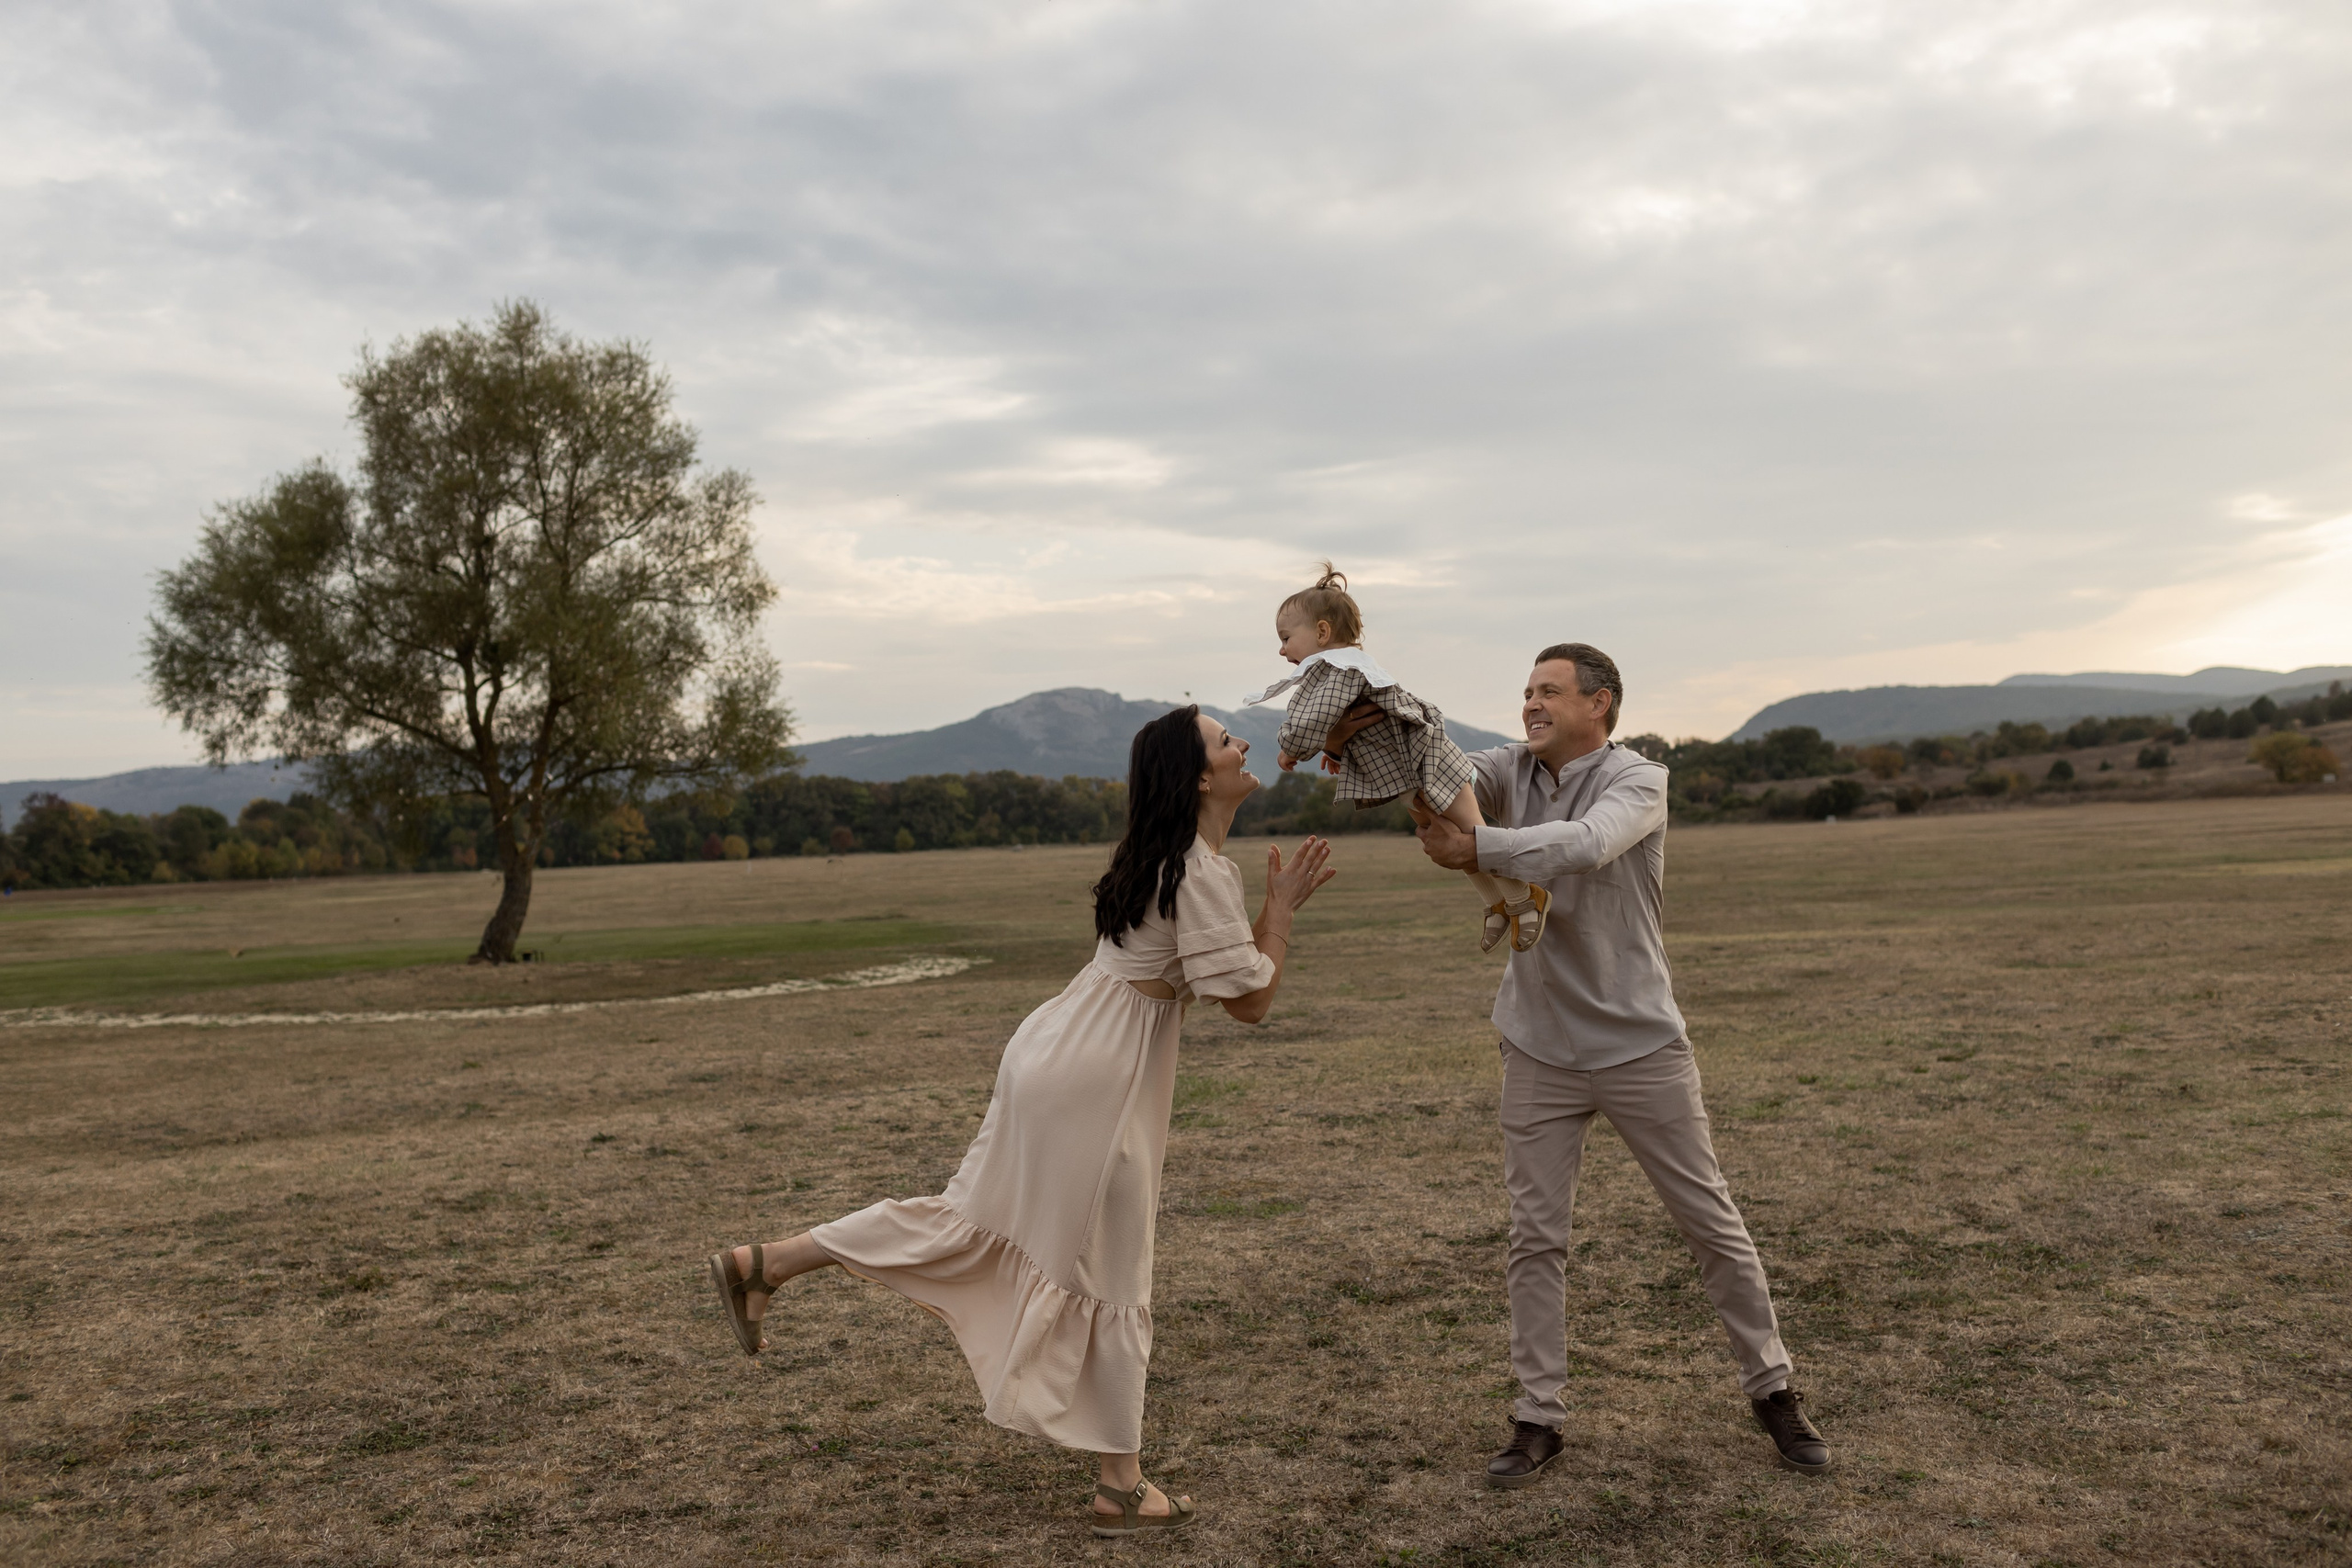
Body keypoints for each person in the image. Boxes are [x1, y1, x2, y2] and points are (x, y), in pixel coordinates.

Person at [705, 705, 1335, 1538]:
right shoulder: (1200, 872)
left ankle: (770, 1262)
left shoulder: (1164, 862)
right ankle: (1119, 1486)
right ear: (1198, 778)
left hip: (1059, 1049)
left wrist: (1264, 916)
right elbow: (1251, 1000)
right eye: (1226, 740)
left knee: (979, 1221)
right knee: (1113, 1261)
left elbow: (1225, 975)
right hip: (1096, 1077)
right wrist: (1283, 907)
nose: (1243, 744)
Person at [1398, 642, 1830, 1485]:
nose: (1531, 704)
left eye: (1549, 691)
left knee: (1710, 1223)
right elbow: (1437, 769)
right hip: (1537, 1045)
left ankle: (1773, 1389)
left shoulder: (1641, 780)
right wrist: (1376, 722)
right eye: (1526, 691)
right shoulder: (1502, 768)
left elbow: (1587, 845)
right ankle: (1536, 1417)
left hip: (1640, 1044)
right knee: (1534, 1238)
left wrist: (1478, 847)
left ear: (1600, 704)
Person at [1244, 562, 1549, 953]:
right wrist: (1339, 751)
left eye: (1286, 637)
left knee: (1475, 838)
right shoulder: (1333, 672)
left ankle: (1525, 898)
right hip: (1407, 774)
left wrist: (1291, 746)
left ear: (1322, 632)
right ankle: (1496, 901)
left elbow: (1311, 722)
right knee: (1451, 842)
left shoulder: (1342, 669)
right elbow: (1357, 724)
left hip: (1432, 764)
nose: (1282, 649)